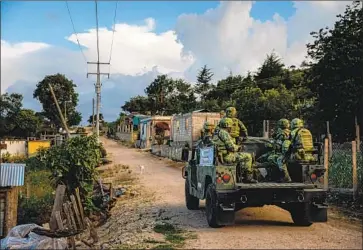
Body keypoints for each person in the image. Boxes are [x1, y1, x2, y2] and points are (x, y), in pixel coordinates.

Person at [213, 117, 257, 183]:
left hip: (221, 156)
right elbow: (232, 148)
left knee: (241, 156)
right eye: (230, 126)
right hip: (227, 157)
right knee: (248, 156)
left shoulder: (217, 133)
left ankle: (240, 175)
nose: (231, 128)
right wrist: (239, 147)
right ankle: (248, 178)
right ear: (227, 125)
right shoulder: (224, 133)